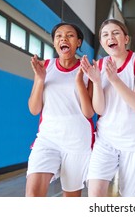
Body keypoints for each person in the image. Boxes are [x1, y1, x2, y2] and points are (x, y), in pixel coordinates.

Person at [81, 19, 135, 197]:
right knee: (95, 194)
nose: (110, 37)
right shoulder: (99, 65)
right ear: (101, 42)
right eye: (105, 35)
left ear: (126, 39)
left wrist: (114, 79)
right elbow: (99, 110)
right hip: (106, 140)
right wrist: (97, 82)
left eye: (115, 33)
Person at [26, 22, 95, 197]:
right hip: (48, 140)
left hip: (78, 142)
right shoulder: (45, 67)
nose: (63, 38)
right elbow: (34, 109)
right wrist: (40, 79)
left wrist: (79, 81)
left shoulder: (88, 70)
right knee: (33, 195)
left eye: (70, 35)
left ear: (78, 42)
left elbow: (89, 113)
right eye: (59, 36)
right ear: (55, 42)